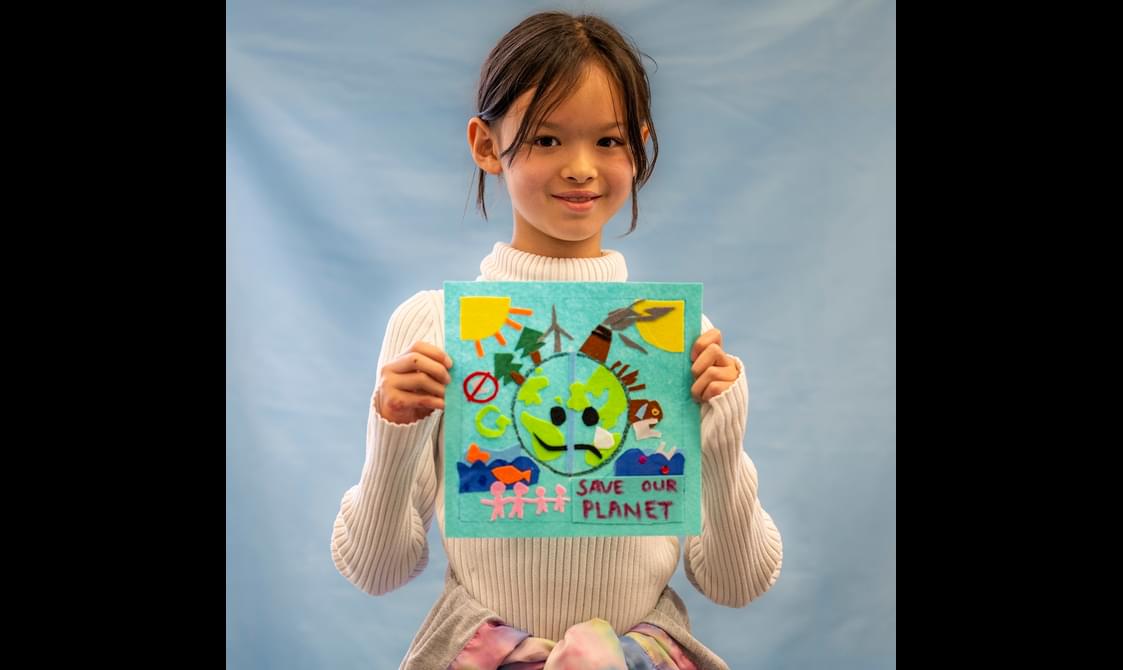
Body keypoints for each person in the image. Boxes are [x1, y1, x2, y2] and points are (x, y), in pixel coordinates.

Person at [331, 11, 782, 669]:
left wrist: (721, 425)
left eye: (608, 140)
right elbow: (376, 569)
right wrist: (394, 430)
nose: (579, 168)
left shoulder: (682, 340)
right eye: (544, 139)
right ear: (486, 145)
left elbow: (736, 584)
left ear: (639, 145)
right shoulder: (430, 327)